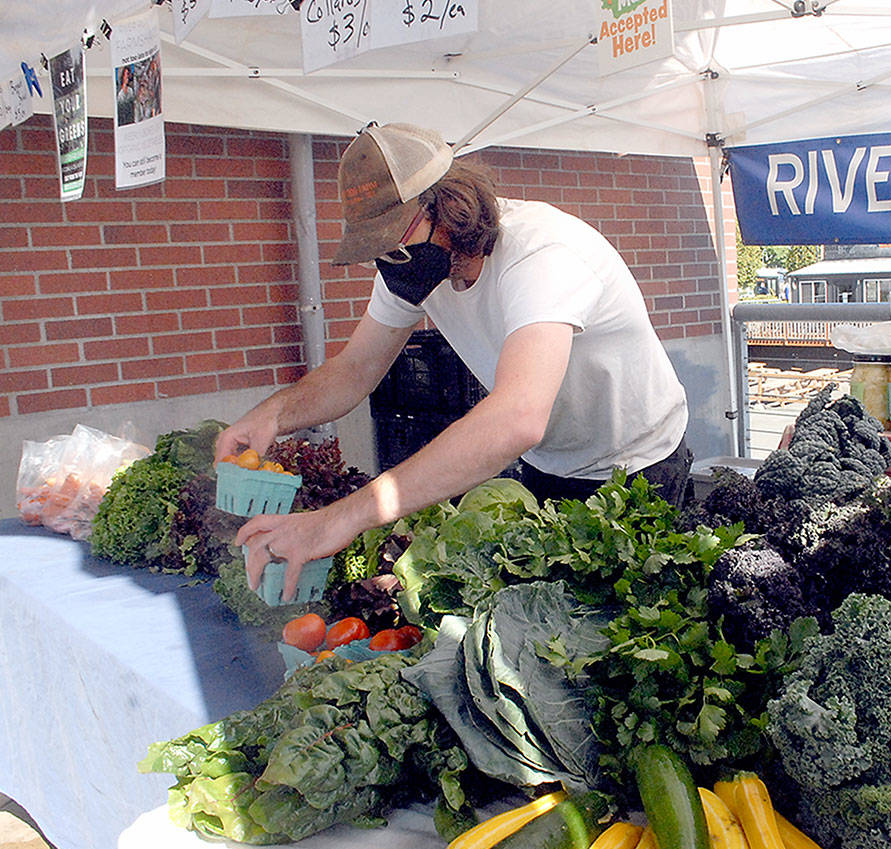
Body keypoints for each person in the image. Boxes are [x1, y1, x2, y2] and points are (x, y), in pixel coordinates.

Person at [217, 123, 692, 601]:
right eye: (376, 250)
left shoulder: (543, 254)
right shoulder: (412, 265)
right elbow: (355, 369)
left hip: (637, 468)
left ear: (450, 207)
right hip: (548, 465)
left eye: (394, 242)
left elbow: (518, 418)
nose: (388, 262)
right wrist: (272, 415)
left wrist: (337, 521)